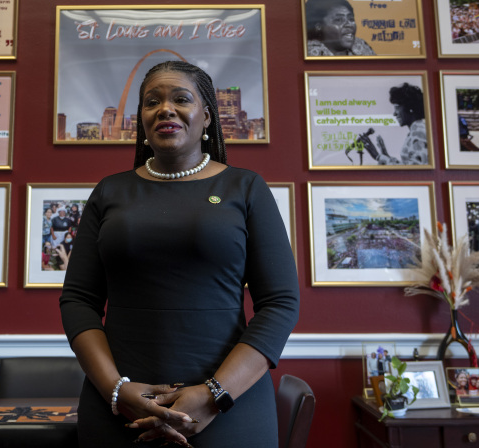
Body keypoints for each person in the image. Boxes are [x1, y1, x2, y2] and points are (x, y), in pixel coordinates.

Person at [60, 60, 300, 447]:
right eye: (152, 101)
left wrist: (213, 395)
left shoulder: (246, 188)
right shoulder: (109, 192)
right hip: (118, 410)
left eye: (180, 99)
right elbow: (78, 300)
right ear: (142, 120)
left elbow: (280, 302)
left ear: (206, 117)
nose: (165, 108)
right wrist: (116, 392)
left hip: (229, 409)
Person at [360, 83, 428, 166]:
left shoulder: (419, 131)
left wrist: (378, 156)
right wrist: (386, 155)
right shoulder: (416, 129)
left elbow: (415, 169)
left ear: (409, 107)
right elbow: (406, 165)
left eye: (397, 107)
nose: (394, 114)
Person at [304, 0, 375, 56]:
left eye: (351, 19)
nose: (349, 24)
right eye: (339, 20)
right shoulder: (309, 52)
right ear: (319, 27)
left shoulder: (361, 45)